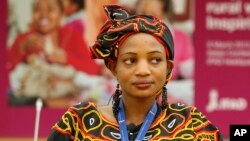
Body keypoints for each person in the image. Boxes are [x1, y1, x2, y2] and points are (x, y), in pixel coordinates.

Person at [48, 5, 223, 140]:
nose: (142, 71)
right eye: (130, 60)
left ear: (168, 69)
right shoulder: (79, 123)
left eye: (155, 60)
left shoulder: (191, 125)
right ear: (113, 67)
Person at [7, 0, 101, 106]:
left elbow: (95, 70)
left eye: (50, 9)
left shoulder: (73, 36)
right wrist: (22, 48)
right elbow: (6, 71)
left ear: (61, 14)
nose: (43, 15)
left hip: (68, 105)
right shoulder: (24, 39)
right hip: (33, 103)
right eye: (37, 10)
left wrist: (66, 59)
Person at [136, 0, 194, 80]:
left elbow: (191, 73)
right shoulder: (126, 35)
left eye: (153, 15)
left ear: (165, 15)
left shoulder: (180, 38)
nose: (145, 19)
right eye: (142, 12)